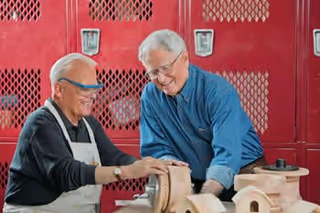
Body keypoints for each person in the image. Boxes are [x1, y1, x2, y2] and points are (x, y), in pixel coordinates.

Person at [3, 53, 175, 213]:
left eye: (95, 89)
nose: (93, 96)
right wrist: (124, 172)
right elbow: (66, 173)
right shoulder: (40, 124)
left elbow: (113, 157)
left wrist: (150, 166)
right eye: (85, 88)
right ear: (59, 90)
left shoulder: (88, 123)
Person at [138, 29, 265, 201]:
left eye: (165, 68)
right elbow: (155, 146)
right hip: (194, 178)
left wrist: (205, 196)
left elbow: (227, 154)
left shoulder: (218, 92)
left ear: (184, 58)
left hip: (242, 176)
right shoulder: (150, 95)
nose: (161, 79)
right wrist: (169, 164)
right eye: (153, 73)